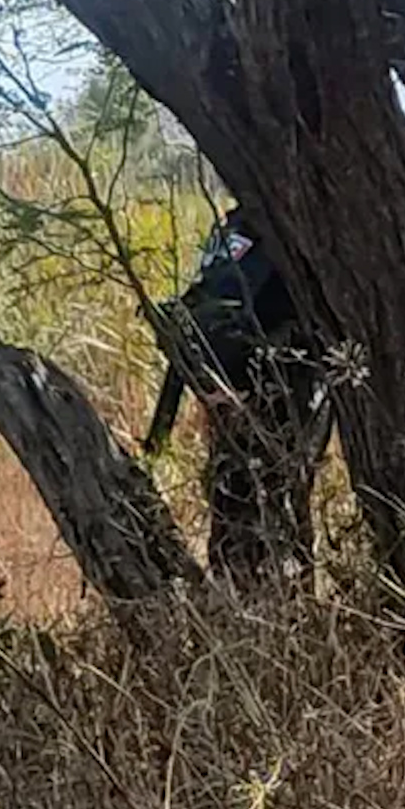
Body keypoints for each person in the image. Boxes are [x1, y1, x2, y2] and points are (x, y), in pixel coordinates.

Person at [143, 200, 328, 588]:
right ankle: (267, 604)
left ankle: (242, 597)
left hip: (233, 385)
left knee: (239, 506)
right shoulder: (288, 218)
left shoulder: (238, 225)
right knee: (266, 508)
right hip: (272, 383)